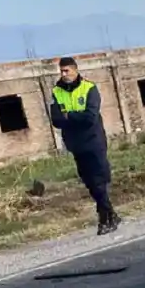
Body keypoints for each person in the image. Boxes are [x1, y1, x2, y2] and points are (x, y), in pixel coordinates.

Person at [50, 56, 120, 235]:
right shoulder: (56, 91)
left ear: (75, 70)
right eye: (61, 71)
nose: (64, 74)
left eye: (67, 70)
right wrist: (70, 117)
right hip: (75, 143)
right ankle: (110, 214)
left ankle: (105, 217)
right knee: (89, 181)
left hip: (94, 140)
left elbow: (90, 117)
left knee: (99, 178)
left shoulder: (89, 88)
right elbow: (56, 120)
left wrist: (69, 116)